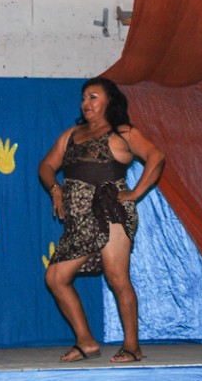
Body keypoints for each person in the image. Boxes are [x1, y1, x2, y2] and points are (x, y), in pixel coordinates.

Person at [38, 77, 165, 364]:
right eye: (84, 98)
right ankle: (86, 341)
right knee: (56, 278)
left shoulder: (123, 132)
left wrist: (136, 192)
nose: (86, 103)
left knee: (116, 276)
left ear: (110, 101)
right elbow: (46, 165)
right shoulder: (71, 135)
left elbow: (156, 156)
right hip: (78, 220)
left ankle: (132, 347)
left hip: (110, 212)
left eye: (93, 97)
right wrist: (55, 189)